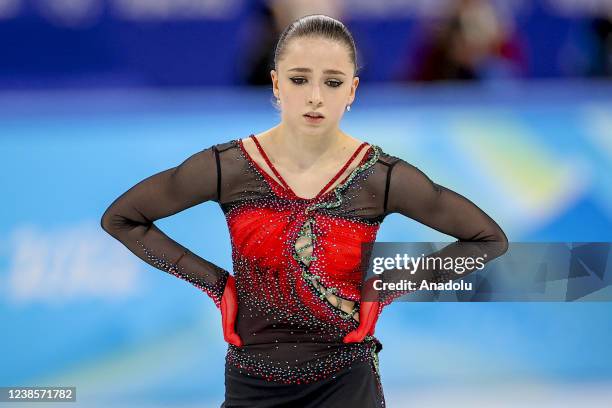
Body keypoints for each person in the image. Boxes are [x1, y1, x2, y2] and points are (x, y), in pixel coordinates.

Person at [100, 14, 508, 408]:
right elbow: (121, 218)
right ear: (276, 83)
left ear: (352, 91)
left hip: (347, 383)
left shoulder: (380, 176)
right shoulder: (228, 167)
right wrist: (217, 285)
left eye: (333, 83)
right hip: (253, 384)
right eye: (299, 79)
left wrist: (383, 288)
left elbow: (488, 240)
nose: (315, 96)